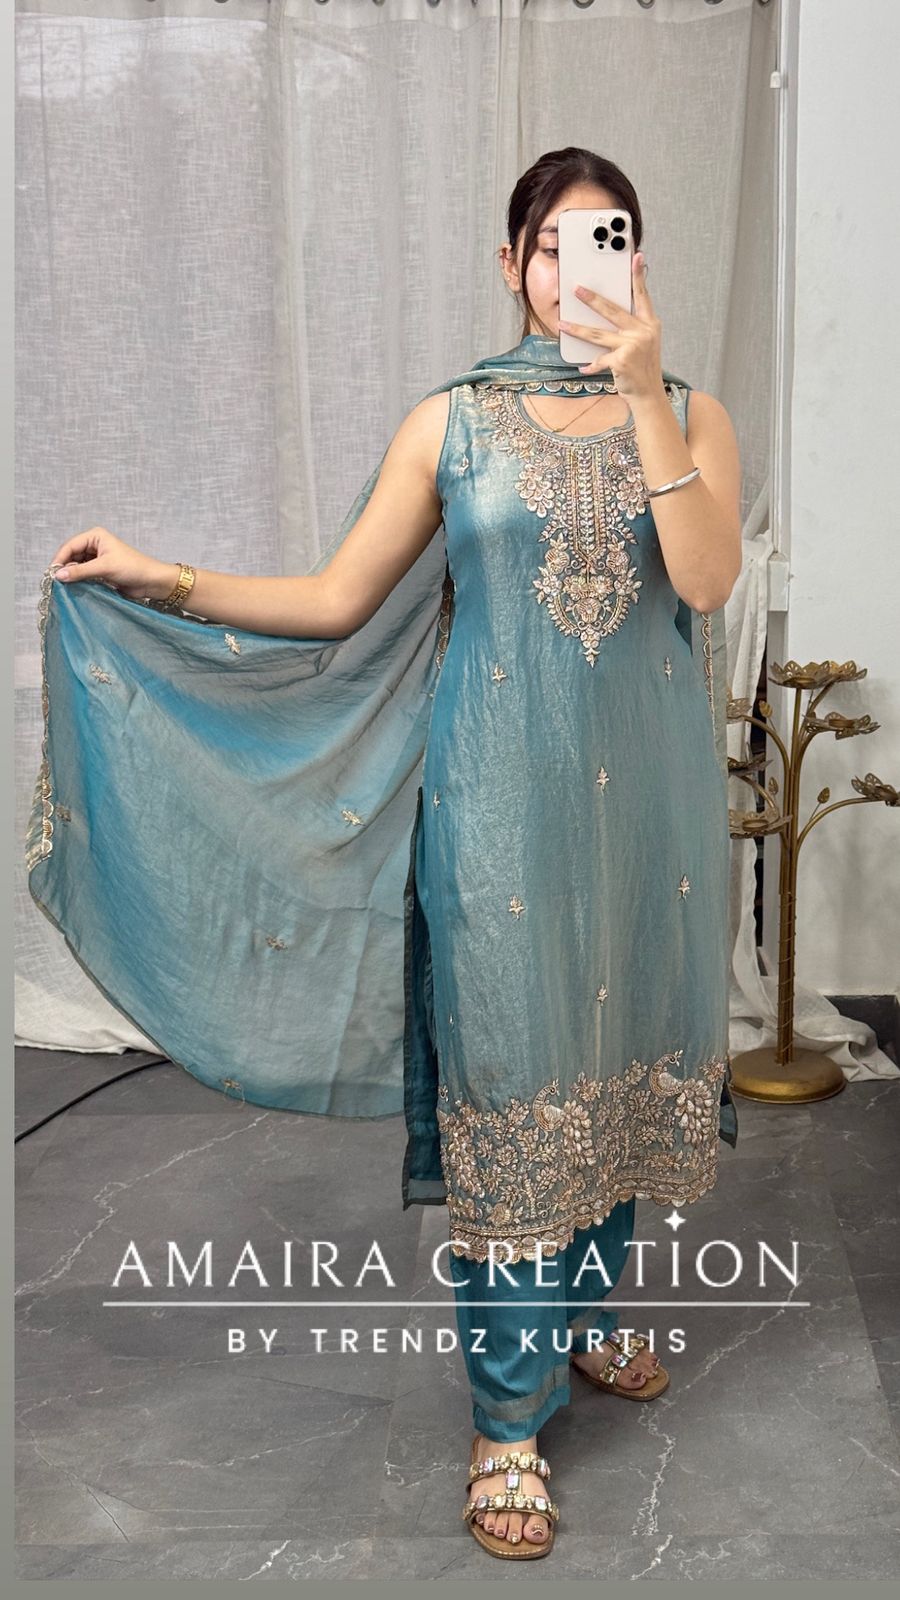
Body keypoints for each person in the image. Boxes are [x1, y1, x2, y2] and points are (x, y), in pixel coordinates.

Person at [38, 148, 741, 1561]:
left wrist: (647, 399)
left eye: (604, 242)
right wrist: (158, 573)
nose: (575, 271)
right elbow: (335, 598)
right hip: (503, 813)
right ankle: (506, 1427)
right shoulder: (453, 421)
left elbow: (708, 575)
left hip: (652, 819)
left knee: (625, 1064)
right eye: (550, 246)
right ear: (510, 265)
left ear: (638, 259)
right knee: (517, 1081)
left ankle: (585, 1312)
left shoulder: (692, 411)